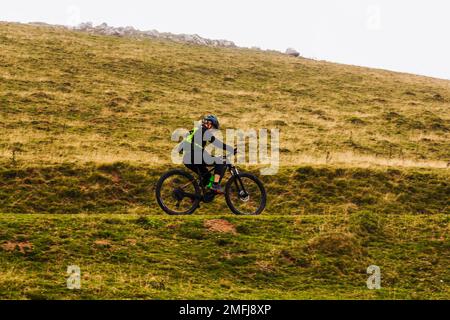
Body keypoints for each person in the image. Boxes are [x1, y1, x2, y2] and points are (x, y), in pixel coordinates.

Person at [179, 115, 235, 194]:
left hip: (188, 158)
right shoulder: (203, 130)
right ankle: (215, 185)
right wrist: (230, 148)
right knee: (220, 161)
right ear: (209, 124)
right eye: (213, 128)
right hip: (194, 155)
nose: (213, 131)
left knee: (207, 176)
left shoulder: (196, 129)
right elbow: (216, 143)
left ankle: (197, 196)